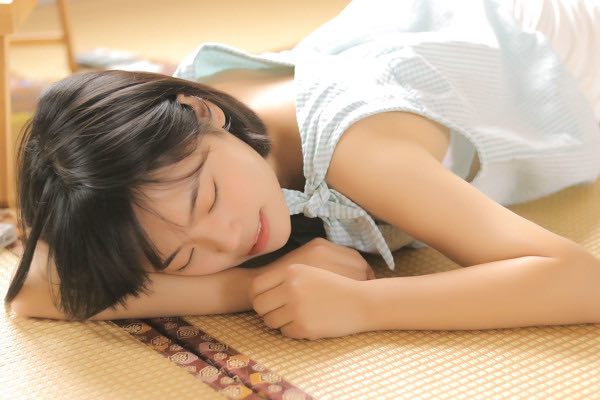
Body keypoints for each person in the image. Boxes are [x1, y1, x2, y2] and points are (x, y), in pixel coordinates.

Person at [4, 0, 600, 340]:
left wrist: (365, 306)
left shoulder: (358, 147)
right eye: (183, 260)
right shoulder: (168, 137)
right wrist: (249, 287)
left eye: (208, 200)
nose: (227, 241)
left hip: (557, 43)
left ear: (203, 112)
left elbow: (582, 282)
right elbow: (35, 291)